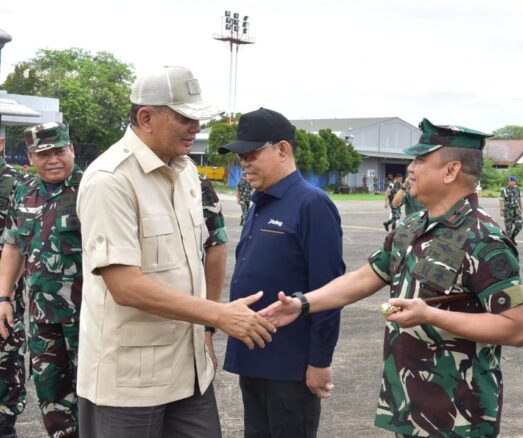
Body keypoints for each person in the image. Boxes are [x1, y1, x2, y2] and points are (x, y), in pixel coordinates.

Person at [261, 118, 523, 437]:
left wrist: (430, 315)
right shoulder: (412, 226)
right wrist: (303, 304)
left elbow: (515, 329)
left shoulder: (484, 239)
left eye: (420, 159)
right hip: (408, 406)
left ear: (450, 170)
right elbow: (364, 278)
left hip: (461, 417)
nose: (411, 167)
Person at [76, 66, 276, 437]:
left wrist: (204, 332)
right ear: (146, 117)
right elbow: (125, 286)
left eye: (197, 118)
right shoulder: (110, 180)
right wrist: (218, 315)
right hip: (130, 382)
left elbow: (204, 255)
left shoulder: (185, 172)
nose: (195, 128)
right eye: (185, 117)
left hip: (189, 372)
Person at [218, 107, 344, 438]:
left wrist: (319, 361)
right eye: (240, 156)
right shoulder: (261, 201)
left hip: (290, 367)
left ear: (282, 150)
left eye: (251, 154)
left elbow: (330, 290)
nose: (243, 162)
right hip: (255, 359)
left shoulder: (311, 203)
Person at [0, 122, 82, 438]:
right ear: (31, 157)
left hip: (88, 318)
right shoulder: (24, 191)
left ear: (71, 149)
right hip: (43, 320)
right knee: (52, 398)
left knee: (94, 399)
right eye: (43, 153)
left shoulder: (92, 189)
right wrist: (4, 297)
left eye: (60, 151)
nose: (53, 160)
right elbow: (12, 244)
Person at [0, 130, 29, 438]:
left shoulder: (17, 185)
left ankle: (5, 425)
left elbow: (19, 244)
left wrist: (4, 292)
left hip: (3, 295)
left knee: (4, 361)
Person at [200, 175, 228, 367]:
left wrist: (207, 327)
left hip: (190, 322)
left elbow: (216, 247)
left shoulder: (197, 182)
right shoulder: (112, 175)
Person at [499, 175, 523, 242]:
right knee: (508, 229)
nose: (512, 182)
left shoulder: (517, 189)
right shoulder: (504, 190)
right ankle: (509, 242)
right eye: (511, 181)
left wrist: (521, 208)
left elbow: (519, 199)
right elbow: (501, 200)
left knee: (519, 225)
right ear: (508, 182)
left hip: (516, 210)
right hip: (508, 211)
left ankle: (512, 237)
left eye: (513, 181)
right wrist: (501, 210)